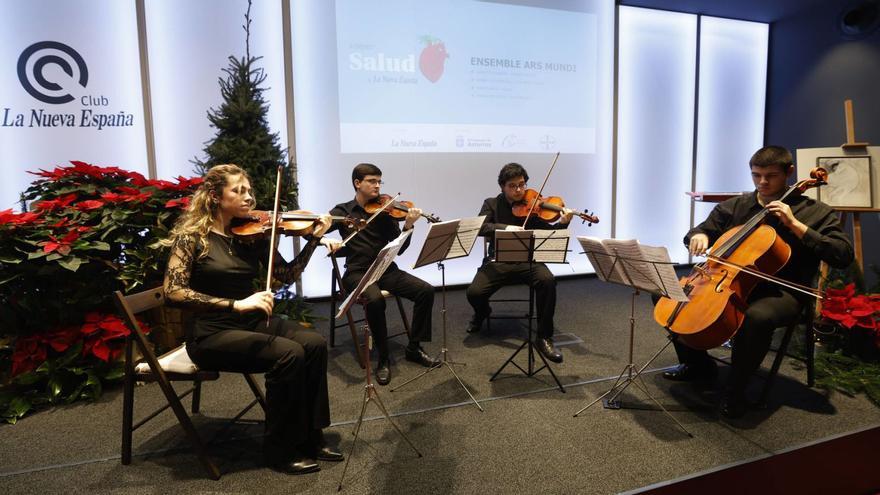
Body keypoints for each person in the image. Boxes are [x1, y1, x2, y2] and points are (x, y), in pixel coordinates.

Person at [163, 164, 342, 475]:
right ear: (215, 197)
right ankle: (279, 449)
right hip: (211, 333)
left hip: (249, 324)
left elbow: (284, 276)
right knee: (289, 354)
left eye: (249, 191)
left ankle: (312, 436)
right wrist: (236, 304)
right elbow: (173, 292)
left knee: (313, 343)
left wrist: (313, 240)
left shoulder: (250, 235)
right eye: (238, 191)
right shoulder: (192, 238)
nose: (248, 198)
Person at [661, 146, 853, 419]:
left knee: (757, 317)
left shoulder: (816, 212)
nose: (762, 183)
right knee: (668, 293)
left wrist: (796, 225)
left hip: (784, 291)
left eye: (771, 176)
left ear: (789, 172)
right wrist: (699, 235)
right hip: (730, 283)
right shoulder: (737, 206)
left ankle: (735, 391)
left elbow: (842, 254)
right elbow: (700, 229)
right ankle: (697, 365)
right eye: (756, 176)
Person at [327, 163, 438, 386]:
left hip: (385, 269)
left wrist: (408, 226)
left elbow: (399, 249)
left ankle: (414, 347)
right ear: (358, 183)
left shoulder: (385, 211)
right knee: (375, 300)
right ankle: (383, 358)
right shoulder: (343, 211)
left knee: (426, 290)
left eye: (379, 181)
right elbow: (317, 229)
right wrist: (324, 239)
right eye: (372, 181)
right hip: (357, 273)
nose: (378, 186)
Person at [465, 162, 574, 363]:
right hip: (499, 260)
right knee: (474, 293)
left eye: (522, 184)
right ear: (502, 187)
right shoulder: (491, 203)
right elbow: (481, 228)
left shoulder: (533, 206)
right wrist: (506, 228)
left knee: (548, 281)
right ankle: (482, 312)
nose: (519, 190)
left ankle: (544, 337)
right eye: (513, 186)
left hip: (528, 260)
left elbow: (549, 233)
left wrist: (563, 223)